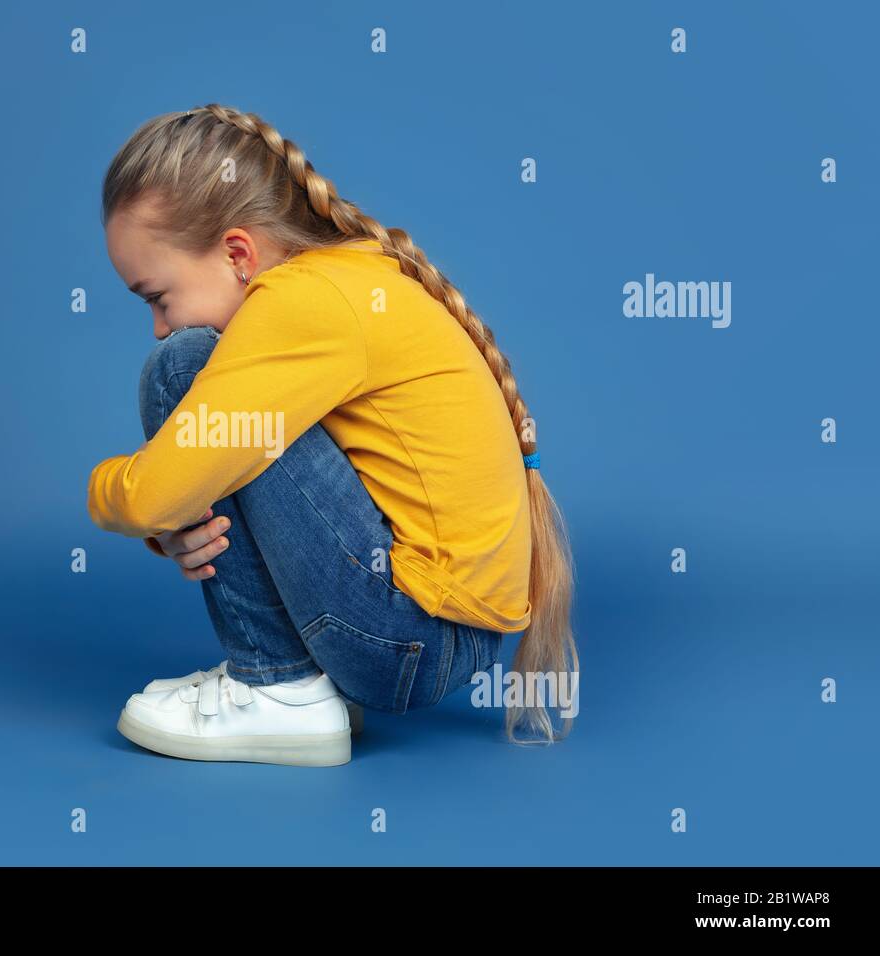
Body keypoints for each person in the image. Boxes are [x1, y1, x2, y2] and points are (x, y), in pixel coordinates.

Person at [87, 104, 578, 766]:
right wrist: (171, 517)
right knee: (227, 411)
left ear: (237, 254)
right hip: (434, 636)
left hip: (407, 637)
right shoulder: (343, 281)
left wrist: (109, 493)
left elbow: (153, 492)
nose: (157, 323)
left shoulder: (299, 304)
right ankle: (296, 680)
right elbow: (198, 483)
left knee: (182, 369)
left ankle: (278, 688)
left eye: (158, 296)